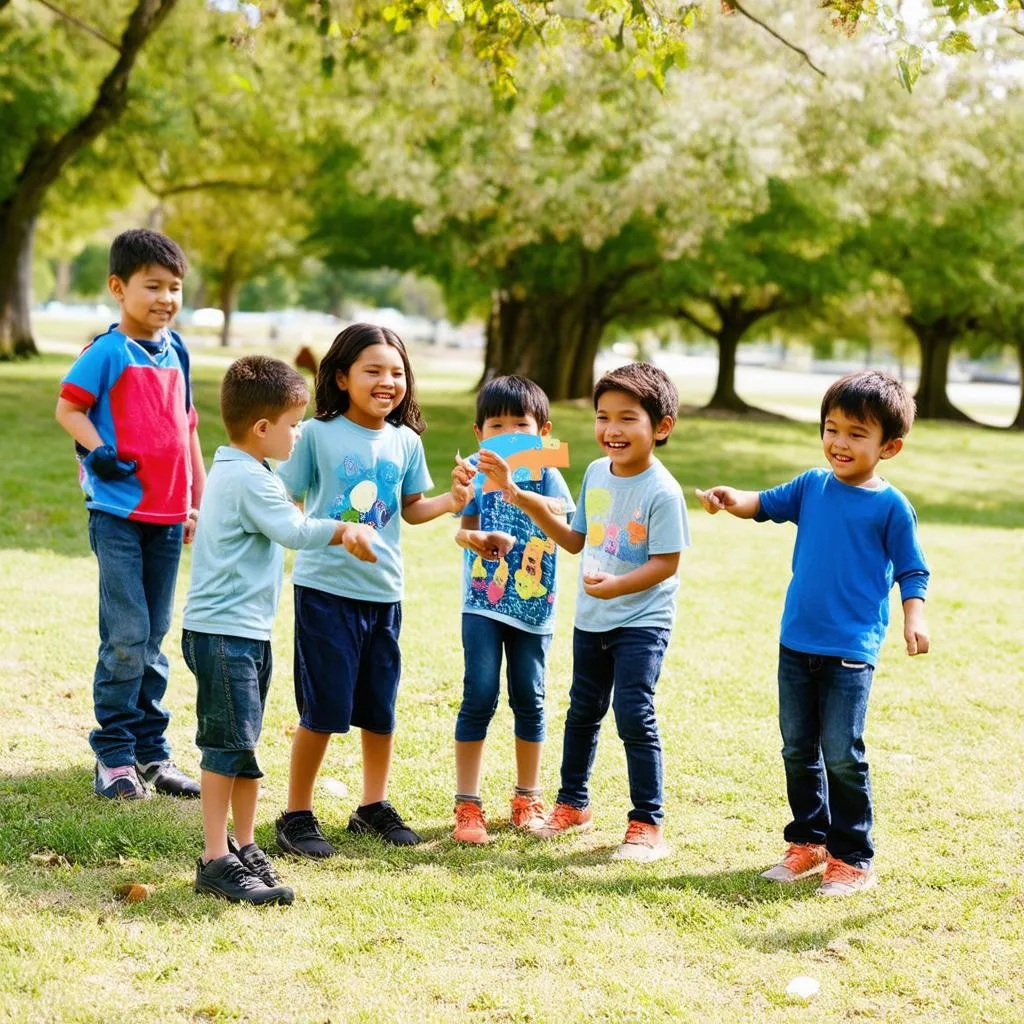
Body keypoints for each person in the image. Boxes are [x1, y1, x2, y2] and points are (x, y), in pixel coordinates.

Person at [696, 369, 930, 896]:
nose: (839, 443)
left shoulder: (891, 506)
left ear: (888, 446)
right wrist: (733, 498)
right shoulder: (811, 486)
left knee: (841, 752)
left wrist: (915, 615)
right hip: (795, 643)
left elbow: (912, 569)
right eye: (832, 428)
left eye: (856, 433)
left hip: (850, 650)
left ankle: (853, 857)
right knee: (797, 749)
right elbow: (766, 504)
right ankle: (809, 842)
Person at [182, 355, 377, 905]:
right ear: (263, 429)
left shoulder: (243, 468)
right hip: (226, 635)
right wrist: (345, 530)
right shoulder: (249, 479)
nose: (299, 433)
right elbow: (293, 529)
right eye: (294, 424)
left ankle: (244, 846)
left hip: (243, 633)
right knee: (227, 746)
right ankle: (215, 857)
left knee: (243, 744)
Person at [274, 323, 473, 857]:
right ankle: (295, 813)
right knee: (324, 707)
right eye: (373, 371)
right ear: (341, 377)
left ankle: (372, 806)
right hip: (324, 590)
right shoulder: (316, 434)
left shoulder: (406, 441)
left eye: (397, 372)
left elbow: (411, 509)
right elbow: (287, 501)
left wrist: (452, 502)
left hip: (384, 595)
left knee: (379, 709)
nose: (388, 381)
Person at [479, 362, 689, 863]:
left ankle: (646, 823)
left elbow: (667, 563)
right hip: (592, 618)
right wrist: (521, 497)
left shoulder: (663, 490)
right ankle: (572, 804)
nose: (611, 430)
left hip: (642, 620)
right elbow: (575, 540)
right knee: (582, 711)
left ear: (661, 427)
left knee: (633, 714)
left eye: (627, 418)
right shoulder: (596, 473)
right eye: (603, 417)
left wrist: (617, 586)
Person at [55, 228, 205, 801]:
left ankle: (152, 753)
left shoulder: (179, 350)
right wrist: (97, 450)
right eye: (153, 286)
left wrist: (197, 497)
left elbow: (187, 424)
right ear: (119, 288)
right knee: (125, 634)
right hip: (117, 511)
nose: (166, 298)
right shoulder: (107, 351)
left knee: (154, 635)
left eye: (174, 287)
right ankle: (113, 756)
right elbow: (69, 409)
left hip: (167, 517)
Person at [449, 376, 575, 844]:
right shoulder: (476, 476)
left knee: (531, 697)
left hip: (534, 605)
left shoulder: (546, 473)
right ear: (480, 433)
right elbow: (462, 531)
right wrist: (476, 537)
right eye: (496, 425)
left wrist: (517, 489)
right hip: (482, 601)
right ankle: (468, 804)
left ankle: (527, 797)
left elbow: (565, 516)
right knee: (478, 694)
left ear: (542, 432)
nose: (507, 433)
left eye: (519, 424)